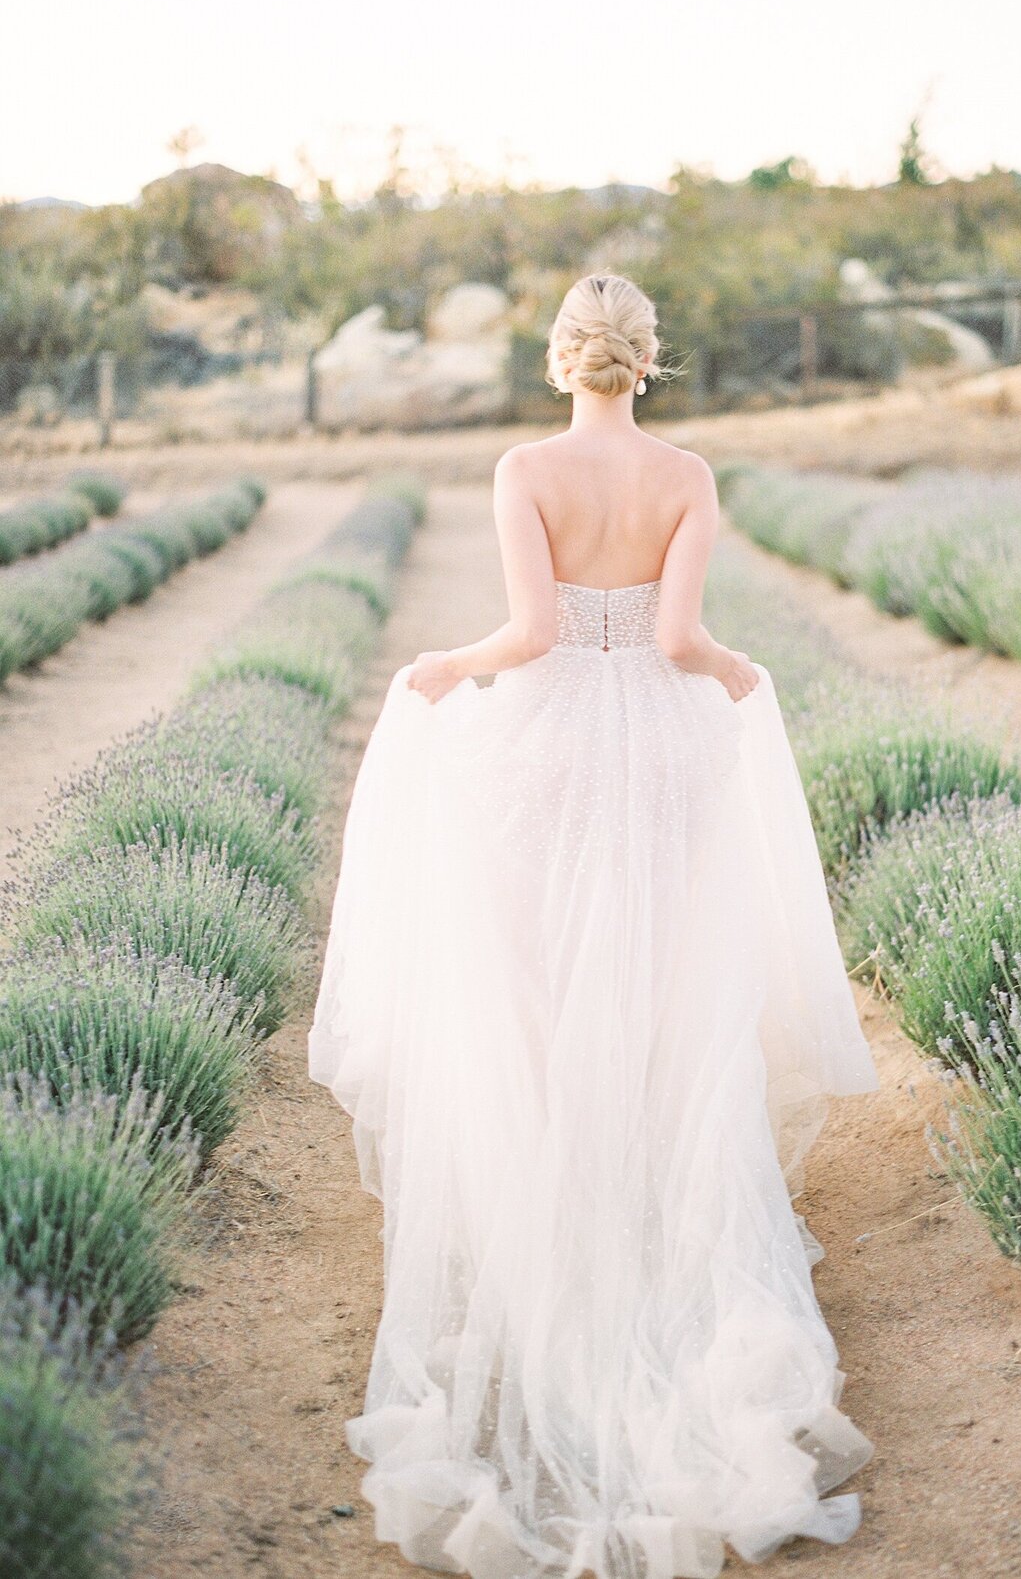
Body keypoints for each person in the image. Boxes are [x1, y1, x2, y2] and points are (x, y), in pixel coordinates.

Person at [308, 272, 880, 1579]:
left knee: (546, 977)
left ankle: (555, 1218)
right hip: (665, 750)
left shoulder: (524, 466)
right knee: (668, 983)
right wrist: (742, 676)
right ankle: (651, 1206)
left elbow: (535, 627)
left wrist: (450, 668)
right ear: (646, 359)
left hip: (553, 743)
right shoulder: (687, 473)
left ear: (567, 359)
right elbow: (679, 639)